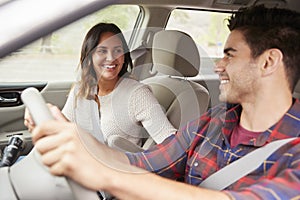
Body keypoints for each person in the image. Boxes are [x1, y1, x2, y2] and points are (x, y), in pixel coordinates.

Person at [29, 5, 300, 199]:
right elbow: (140, 162)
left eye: (230, 55)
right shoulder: (211, 123)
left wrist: (103, 174)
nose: (219, 66)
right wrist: (72, 136)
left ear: (268, 62)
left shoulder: (293, 150)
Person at [25, 23, 176, 150]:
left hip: (111, 177)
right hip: (79, 167)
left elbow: (171, 142)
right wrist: (40, 117)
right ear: (89, 57)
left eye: (117, 50)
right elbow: (64, 128)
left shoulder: (137, 94)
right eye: (102, 51)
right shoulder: (81, 90)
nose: (111, 58)